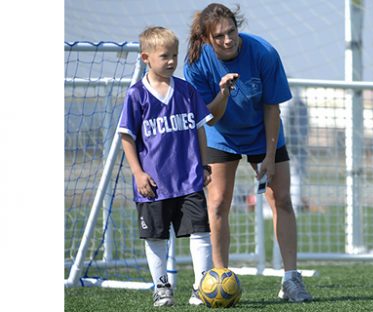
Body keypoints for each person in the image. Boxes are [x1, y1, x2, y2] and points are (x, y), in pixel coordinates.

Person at [183, 3, 313, 303]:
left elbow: (272, 107)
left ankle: (291, 279)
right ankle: (216, 278)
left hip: (263, 133)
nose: (228, 40)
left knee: (281, 198)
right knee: (217, 204)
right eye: (219, 37)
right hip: (220, 135)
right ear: (205, 38)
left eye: (232, 32)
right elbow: (210, 118)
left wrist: (268, 156)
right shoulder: (195, 63)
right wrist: (224, 92)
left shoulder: (263, 53)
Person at [118, 26, 214, 307]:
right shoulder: (137, 95)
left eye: (175, 55)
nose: (172, 61)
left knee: (200, 232)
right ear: (146, 57)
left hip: (189, 179)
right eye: (165, 56)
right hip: (155, 183)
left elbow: (200, 130)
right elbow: (127, 136)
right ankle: (161, 287)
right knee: (156, 236)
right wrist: (138, 173)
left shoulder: (187, 90)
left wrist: (205, 164)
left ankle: (202, 286)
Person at [281, 85, 309, 213]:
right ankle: (293, 204)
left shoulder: (288, 101)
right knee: (295, 174)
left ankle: (294, 204)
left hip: (286, 142)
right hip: (293, 143)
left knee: (294, 174)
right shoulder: (297, 102)